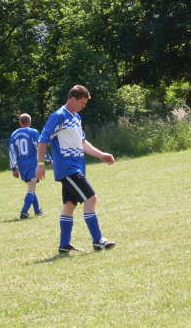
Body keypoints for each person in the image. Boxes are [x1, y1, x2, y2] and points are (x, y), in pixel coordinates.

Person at [37, 85, 116, 254]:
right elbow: (43, 140)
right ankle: (98, 240)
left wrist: (101, 155)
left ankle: (64, 246)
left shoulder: (76, 117)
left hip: (78, 166)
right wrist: (41, 164)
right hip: (68, 168)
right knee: (91, 198)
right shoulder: (58, 116)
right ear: (72, 99)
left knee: (69, 204)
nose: (84, 105)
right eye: (82, 102)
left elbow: (82, 142)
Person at [9, 113, 44, 219]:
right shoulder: (33, 132)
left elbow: (12, 152)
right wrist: (48, 159)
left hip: (21, 165)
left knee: (31, 187)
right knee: (31, 188)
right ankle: (24, 212)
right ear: (30, 122)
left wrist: (14, 167)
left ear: (20, 123)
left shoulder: (14, 134)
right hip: (32, 163)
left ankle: (37, 210)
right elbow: (39, 147)